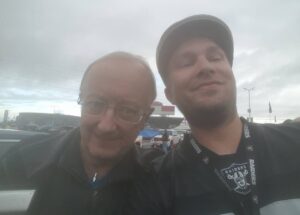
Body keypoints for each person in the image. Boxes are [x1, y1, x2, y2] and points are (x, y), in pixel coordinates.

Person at [131, 15, 300, 215]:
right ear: (170, 95)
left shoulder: (294, 141)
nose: (205, 67)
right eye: (186, 63)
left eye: (215, 58)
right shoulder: (155, 184)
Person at [0, 52, 157, 215]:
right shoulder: (21, 160)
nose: (106, 126)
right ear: (81, 101)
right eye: (95, 104)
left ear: (145, 118)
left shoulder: (158, 182)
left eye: (128, 110)